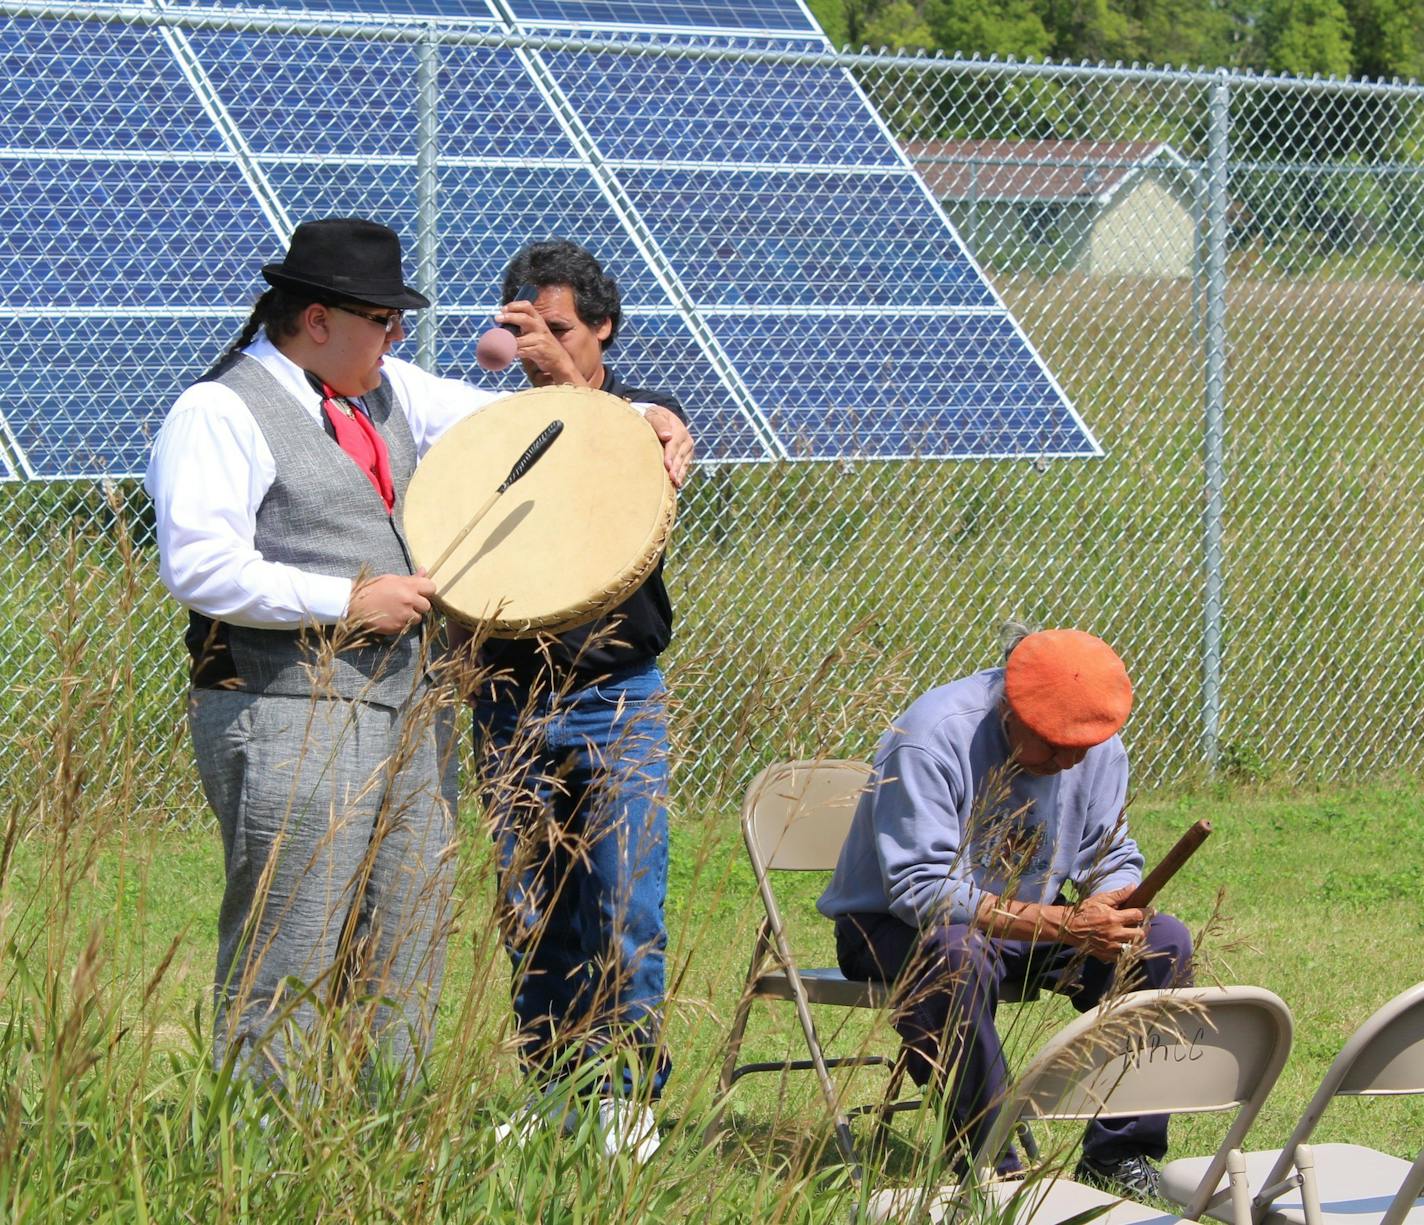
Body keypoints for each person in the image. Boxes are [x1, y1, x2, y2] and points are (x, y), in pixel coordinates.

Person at [145, 217, 500, 1090]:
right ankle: (258, 1158)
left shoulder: (383, 389)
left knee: (408, 935)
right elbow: (199, 567)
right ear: (318, 321)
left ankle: (386, 1141)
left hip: (408, 712)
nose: (398, 338)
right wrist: (347, 600)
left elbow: (502, 420)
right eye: (385, 320)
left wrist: (645, 411)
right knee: (292, 944)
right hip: (285, 708)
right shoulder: (220, 409)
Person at [817, 625, 1194, 1197]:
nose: (1070, 759)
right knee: (956, 951)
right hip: (894, 926)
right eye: (1051, 742)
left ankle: (1118, 1157)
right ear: (1008, 708)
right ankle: (991, 1161)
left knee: (1162, 941)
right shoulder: (930, 736)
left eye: (1082, 746)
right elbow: (921, 891)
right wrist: (1068, 924)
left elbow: (1111, 850)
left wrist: (1108, 897)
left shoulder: (1091, 739)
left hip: (1030, 921)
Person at [467, 239, 693, 1159]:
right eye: (526, 329)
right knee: (531, 904)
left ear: (603, 329)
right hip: (507, 696)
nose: (539, 348)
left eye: (558, 329)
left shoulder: (650, 423)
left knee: (622, 898)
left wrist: (583, 387)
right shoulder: (488, 430)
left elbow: (633, 446)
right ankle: (556, 1088)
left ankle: (630, 1094)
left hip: (614, 694)